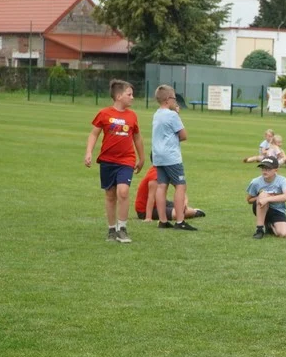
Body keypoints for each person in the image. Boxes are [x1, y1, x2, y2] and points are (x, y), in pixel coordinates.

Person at [84, 79, 145, 243]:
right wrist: (89, 152)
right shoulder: (104, 113)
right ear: (118, 96)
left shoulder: (132, 116)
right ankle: (112, 229)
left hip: (127, 160)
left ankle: (122, 229)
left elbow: (137, 138)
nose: (133, 97)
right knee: (110, 195)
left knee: (123, 192)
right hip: (107, 160)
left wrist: (142, 157)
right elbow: (94, 134)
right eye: (129, 94)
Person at [150, 84, 198, 231]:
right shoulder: (172, 115)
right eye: (174, 98)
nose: (175, 101)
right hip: (171, 156)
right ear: (167, 99)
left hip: (158, 156)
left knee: (161, 186)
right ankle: (180, 221)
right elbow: (183, 135)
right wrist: (177, 114)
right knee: (180, 185)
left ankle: (162, 221)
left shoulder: (157, 113)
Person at [134, 166, 205, 221]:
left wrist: (185, 201)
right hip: (145, 210)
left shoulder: (165, 170)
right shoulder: (155, 175)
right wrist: (148, 217)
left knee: (181, 207)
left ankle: (190, 211)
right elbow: (151, 198)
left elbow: (179, 187)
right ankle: (195, 212)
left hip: (159, 202)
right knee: (177, 214)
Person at [246, 156, 286, 239]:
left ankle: (269, 225)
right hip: (260, 207)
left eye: (268, 169)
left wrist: (268, 199)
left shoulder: (282, 180)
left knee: (284, 234)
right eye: (263, 168)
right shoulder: (255, 182)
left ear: (276, 170)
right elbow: (249, 200)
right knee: (263, 194)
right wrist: (260, 198)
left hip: (278, 210)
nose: (265, 171)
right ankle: (259, 230)